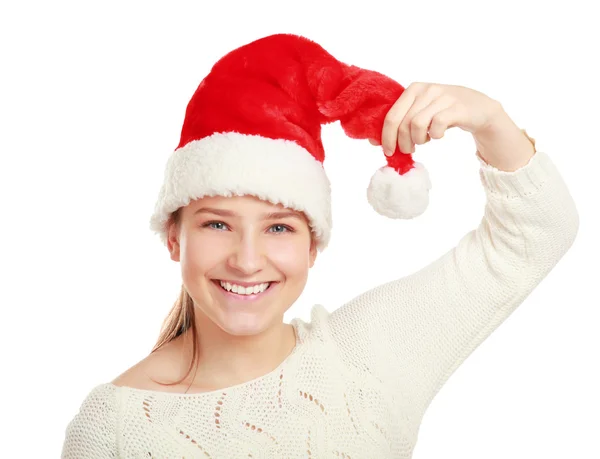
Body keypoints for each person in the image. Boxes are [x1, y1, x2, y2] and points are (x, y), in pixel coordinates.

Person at [61, 33, 579, 458]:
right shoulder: (112, 431)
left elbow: (535, 235)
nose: (246, 259)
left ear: (314, 247)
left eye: (279, 228)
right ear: (174, 237)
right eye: (217, 225)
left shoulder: (370, 354)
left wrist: (490, 119)